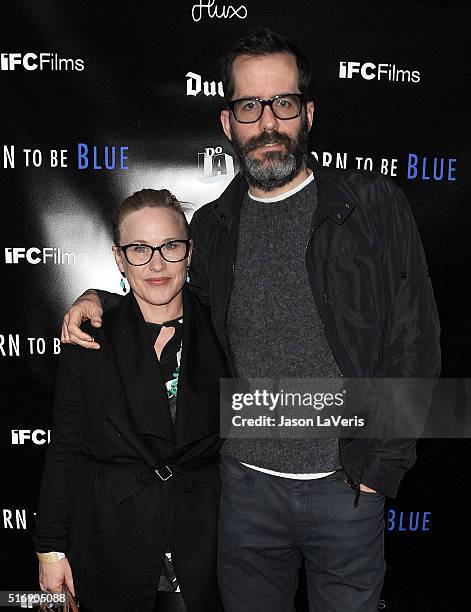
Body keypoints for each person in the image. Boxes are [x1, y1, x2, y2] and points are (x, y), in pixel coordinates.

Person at [61, 28, 441, 612]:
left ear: (307, 113)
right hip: (244, 493)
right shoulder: (213, 225)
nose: (267, 122)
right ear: (228, 122)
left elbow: (415, 342)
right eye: (249, 106)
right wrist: (105, 300)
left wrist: (376, 470)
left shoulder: (372, 206)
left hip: (347, 490)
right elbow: (174, 299)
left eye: (283, 103)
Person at [34, 189, 229, 612]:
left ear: (189, 252)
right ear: (119, 258)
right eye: (139, 249)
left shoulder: (224, 327)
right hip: (111, 535)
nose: (156, 264)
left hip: (205, 539)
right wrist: (50, 548)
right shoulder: (89, 334)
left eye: (170, 246)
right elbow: (65, 445)